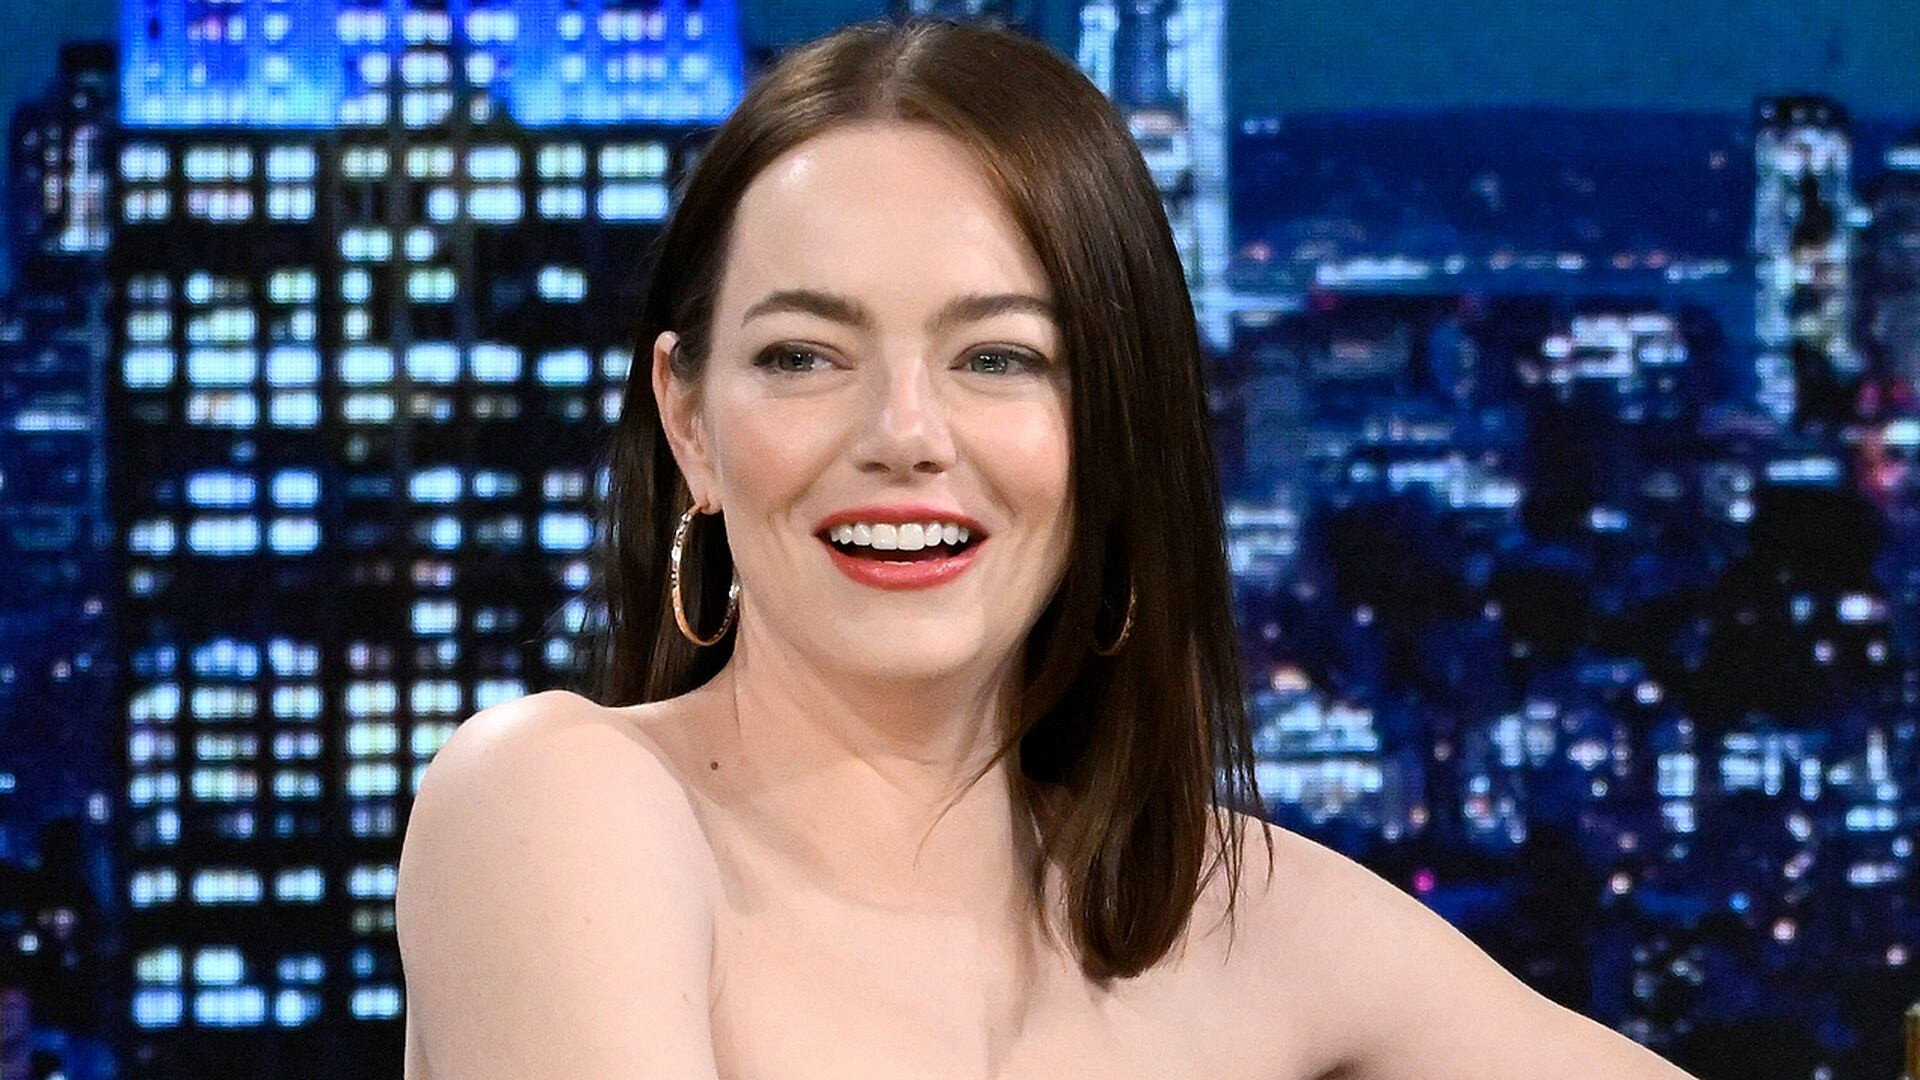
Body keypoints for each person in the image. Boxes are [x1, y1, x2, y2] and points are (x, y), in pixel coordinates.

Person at [394, 16, 1702, 1079]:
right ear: (690, 423)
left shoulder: (1240, 920)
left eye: (998, 357)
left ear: (1114, 426)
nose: (904, 434)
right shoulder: (563, 802)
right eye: (804, 356)